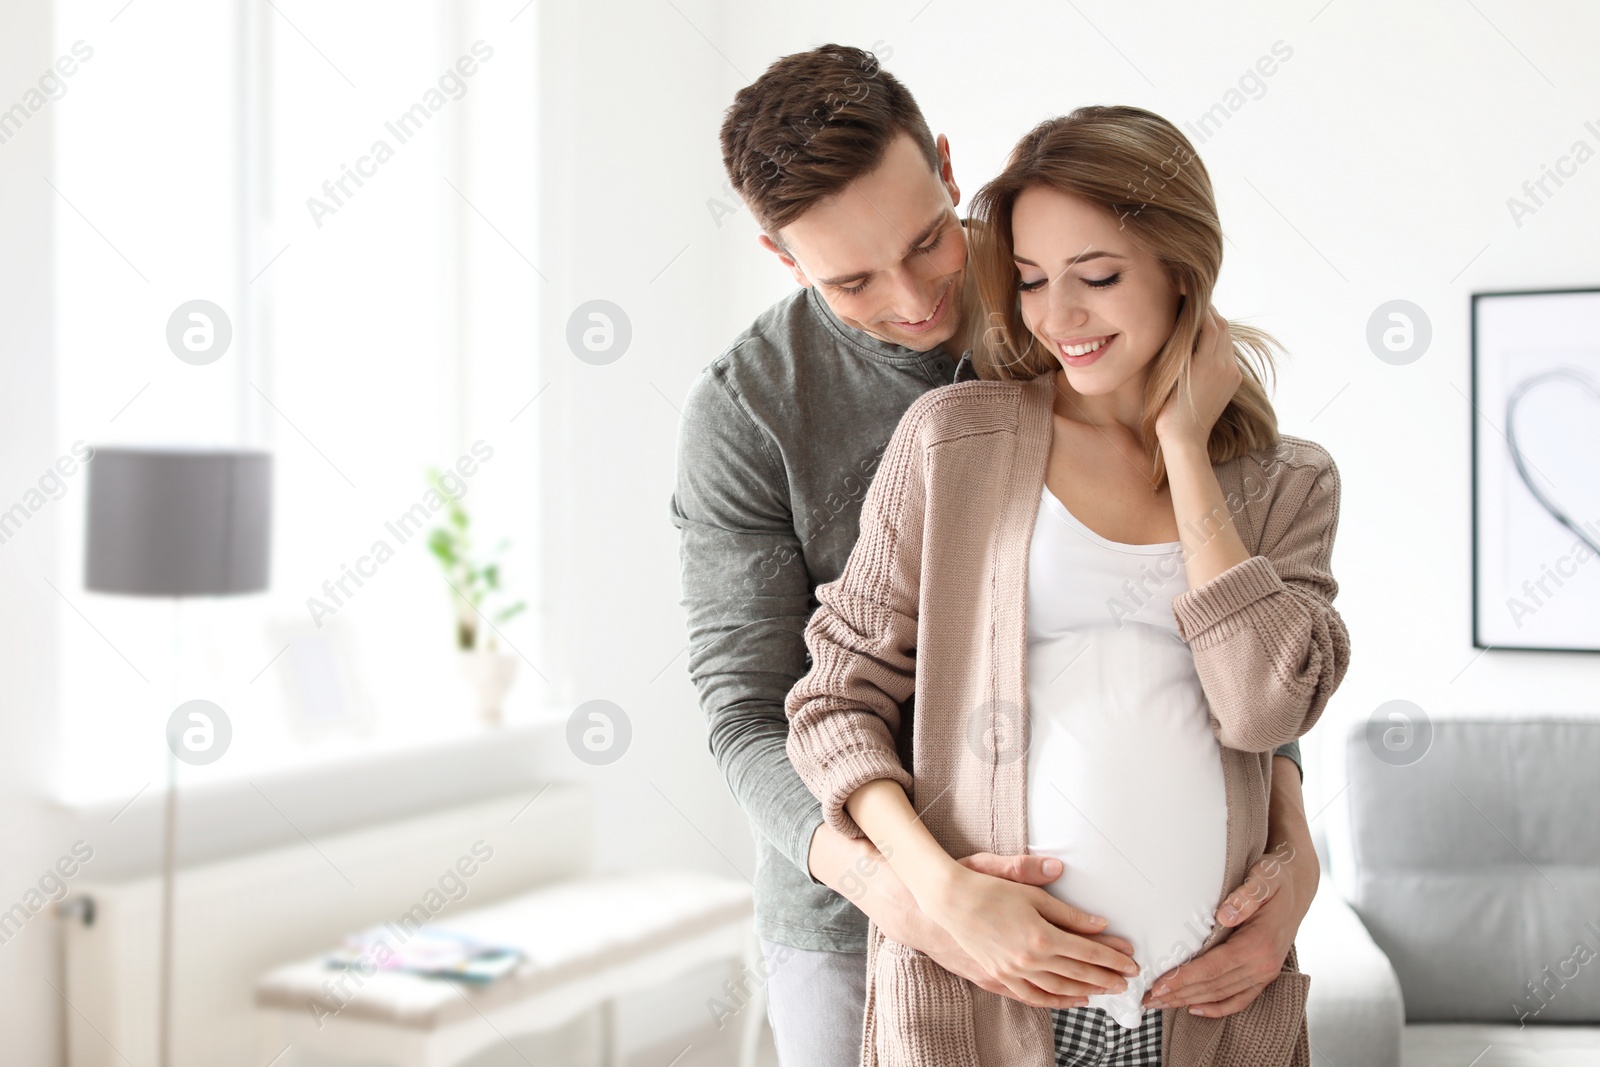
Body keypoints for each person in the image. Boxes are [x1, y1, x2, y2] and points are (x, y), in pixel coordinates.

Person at [671, 45, 1320, 1067]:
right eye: (851, 279)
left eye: (928, 240)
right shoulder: (748, 408)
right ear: (780, 256)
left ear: (942, 163)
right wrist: (925, 898)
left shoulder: (1077, 293)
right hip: (854, 913)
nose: (916, 297)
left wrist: (1294, 853)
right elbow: (752, 707)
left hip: (1156, 949)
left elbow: (1207, 621)